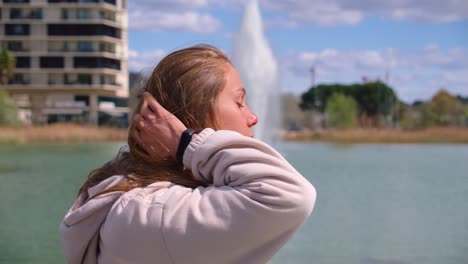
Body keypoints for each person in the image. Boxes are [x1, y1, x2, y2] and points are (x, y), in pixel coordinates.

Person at [60, 45, 316, 264]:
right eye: (239, 103)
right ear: (192, 116)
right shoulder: (154, 212)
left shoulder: (148, 200)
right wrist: (187, 143)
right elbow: (291, 195)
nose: (253, 117)